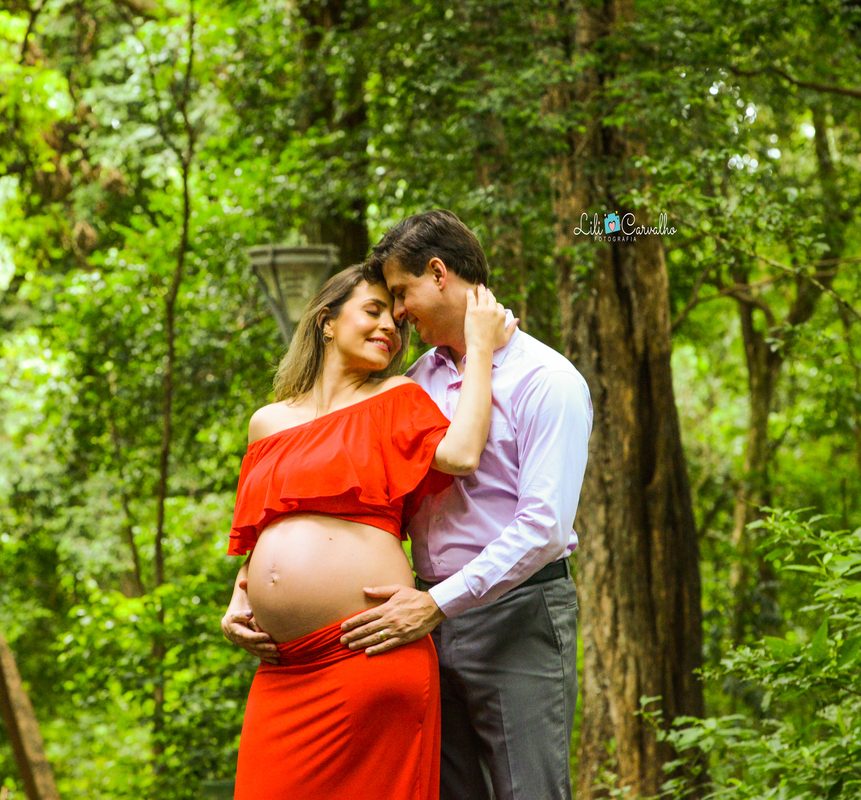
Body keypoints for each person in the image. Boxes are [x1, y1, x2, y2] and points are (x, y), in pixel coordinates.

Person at [221, 263, 516, 800]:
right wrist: (239, 598)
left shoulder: (397, 397)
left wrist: (480, 350)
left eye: (397, 321)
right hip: (284, 670)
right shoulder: (267, 422)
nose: (389, 328)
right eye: (373, 312)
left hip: (368, 652)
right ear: (326, 321)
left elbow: (463, 452)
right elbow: (259, 527)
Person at [338, 209, 593, 800]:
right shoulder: (414, 381)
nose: (398, 314)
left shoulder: (547, 380)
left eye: (401, 293)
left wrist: (437, 606)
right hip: (420, 620)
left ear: (438, 273)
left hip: (516, 616)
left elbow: (545, 529)